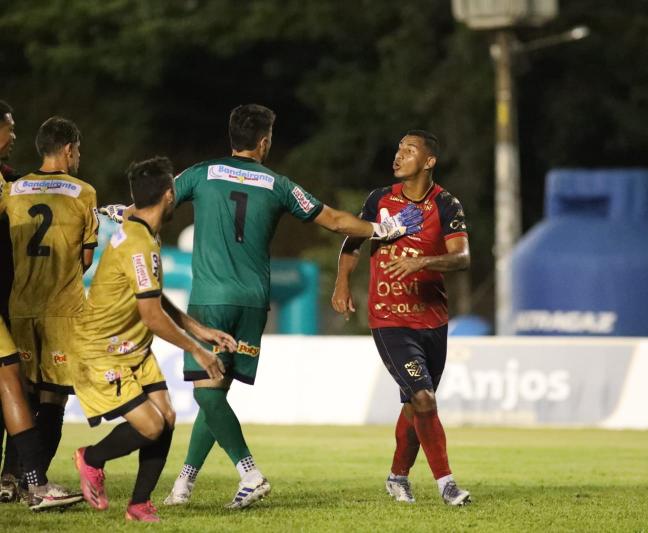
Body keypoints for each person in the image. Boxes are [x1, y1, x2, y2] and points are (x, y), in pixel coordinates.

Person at [99, 103, 423, 509]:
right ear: (265, 141)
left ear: (231, 136)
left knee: (207, 395)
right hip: (253, 302)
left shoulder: (201, 174)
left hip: (211, 299)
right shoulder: (279, 185)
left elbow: (151, 208)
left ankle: (249, 473)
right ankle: (184, 483)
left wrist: (116, 212)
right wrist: (383, 229)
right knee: (214, 394)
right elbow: (337, 221)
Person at [72, 156, 234, 522]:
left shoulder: (140, 229)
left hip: (131, 347)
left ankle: (139, 504)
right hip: (102, 350)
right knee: (151, 425)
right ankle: (90, 459)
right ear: (169, 195)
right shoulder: (139, 243)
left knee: (168, 416)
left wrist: (199, 329)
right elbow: (151, 316)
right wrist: (198, 350)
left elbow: (152, 297)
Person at [331, 130, 472, 506]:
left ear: (428, 162)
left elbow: (462, 258)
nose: (398, 155)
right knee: (424, 399)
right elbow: (352, 243)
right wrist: (342, 283)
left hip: (433, 319)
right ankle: (447, 485)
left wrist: (422, 261)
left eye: (409, 150)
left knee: (415, 406)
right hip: (389, 319)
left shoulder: (446, 204)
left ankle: (397, 477)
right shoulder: (379, 199)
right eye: (398, 148)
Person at [5, 116, 98, 487]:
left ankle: (9, 477)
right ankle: (37, 481)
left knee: (20, 393)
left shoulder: (13, 190)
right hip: (63, 308)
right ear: (69, 149)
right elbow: (87, 259)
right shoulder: (84, 192)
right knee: (54, 398)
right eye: (78, 151)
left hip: (20, 304)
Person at [0, 99, 23, 502]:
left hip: (9, 301)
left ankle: (12, 477)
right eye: (9, 127)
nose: (14, 135)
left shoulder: (9, 178)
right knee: (13, 383)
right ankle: (32, 481)